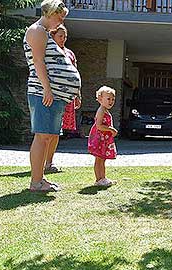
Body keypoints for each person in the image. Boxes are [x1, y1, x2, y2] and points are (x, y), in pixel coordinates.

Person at [24, 0, 81, 192]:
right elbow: (38, 62)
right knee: (42, 137)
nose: (62, 20)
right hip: (43, 93)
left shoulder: (44, 33)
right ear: (50, 13)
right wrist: (47, 88)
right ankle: (36, 182)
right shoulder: (37, 31)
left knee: (47, 137)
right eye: (60, 16)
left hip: (53, 95)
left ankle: (40, 179)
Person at [44, 24, 82, 173]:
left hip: (66, 96)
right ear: (53, 36)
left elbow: (75, 74)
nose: (63, 39)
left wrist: (77, 95)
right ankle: (42, 162)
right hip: (51, 95)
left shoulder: (70, 54)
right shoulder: (48, 52)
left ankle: (50, 162)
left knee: (56, 131)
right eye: (60, 36)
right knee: (47, 130)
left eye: (65, 36)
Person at [88, 86, 118, 186]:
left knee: (102, 158)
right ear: (100, 99)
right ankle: (98, 179)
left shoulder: (106, 111)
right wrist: (110, 129)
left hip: (104, 139)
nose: (111, 101)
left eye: (113, 99)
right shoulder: (101, 110)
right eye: (108, 99)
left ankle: (103, 178)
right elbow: (99, 125)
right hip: (99, 138)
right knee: (99, 159)